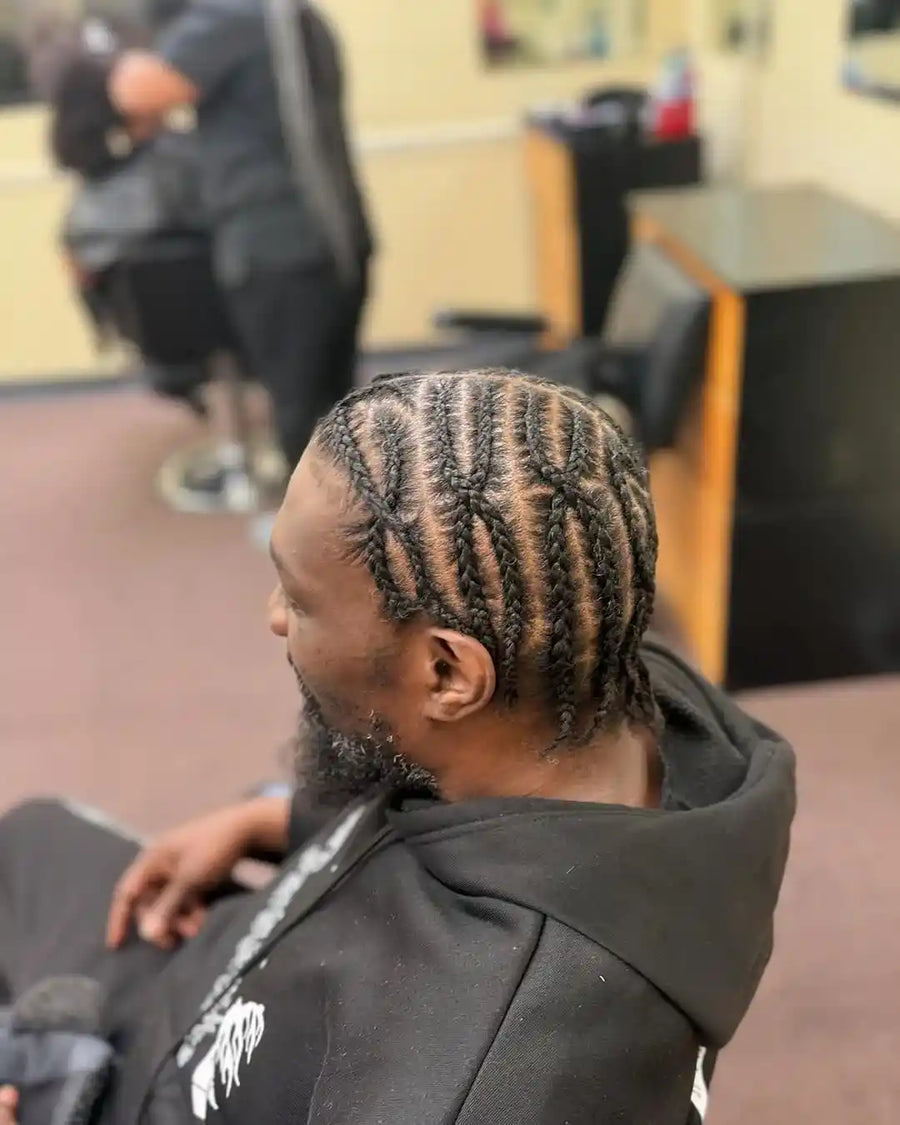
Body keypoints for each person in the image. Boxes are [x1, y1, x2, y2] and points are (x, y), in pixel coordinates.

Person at [0, 370, 795, 1124]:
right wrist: (275, 822)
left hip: (144, 1086)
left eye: (300, 597)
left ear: (448, 672)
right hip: (219, 966)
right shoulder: (601, 688)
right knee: (25, 842)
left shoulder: (468, 1078)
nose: (275, 615)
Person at [107, 0, 373, 475]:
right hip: (336, 238)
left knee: (302, 413)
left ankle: (315, 540)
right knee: (332, 408)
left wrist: (117, 47)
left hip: (282, 252)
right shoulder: (297, 16)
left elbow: (137, 92)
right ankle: (347, 531)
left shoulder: (231, 17)